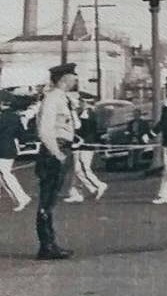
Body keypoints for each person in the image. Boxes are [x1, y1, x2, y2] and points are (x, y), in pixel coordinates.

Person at [34, 63, 79, 260]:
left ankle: (49, 243)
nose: (75, 79)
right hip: (54, 152)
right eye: (72, 76)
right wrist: (57, 153)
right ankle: (46, 246)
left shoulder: (62, 98)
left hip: (61, 148)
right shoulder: (52, 99)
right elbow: (45, 130)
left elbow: (66, 126)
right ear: (63, 79)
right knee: (47, 199)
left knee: (52, 198)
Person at [63, 94, 107, 203]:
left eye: (81, 101)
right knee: (77, 170)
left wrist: (72, 112)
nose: (79, 103)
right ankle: (76, 193)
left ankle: (98, 185)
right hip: (80, 145)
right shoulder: (84, 113)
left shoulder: (87, 113)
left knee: (81, 170)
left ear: (86, 102)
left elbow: (78, 127)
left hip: (85, 146)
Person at [0, 91, 31, 212]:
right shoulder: (15, 116)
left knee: (5, 175)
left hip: (3, 149)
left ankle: (21, 198)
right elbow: (22, 133)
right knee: (4, 175)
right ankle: (21, 197)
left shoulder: (2, 117)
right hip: (10, 148)